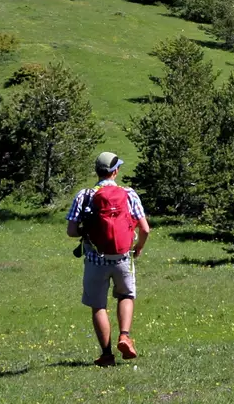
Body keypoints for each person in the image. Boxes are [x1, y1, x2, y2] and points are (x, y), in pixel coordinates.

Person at [66, 151, 149, 366]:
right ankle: (124, 336)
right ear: (116, 171)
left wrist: (88, 231)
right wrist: (138, 247)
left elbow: (71, 231)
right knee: (125, 296)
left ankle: (106, 354)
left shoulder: (84, 195)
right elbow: (145, 229)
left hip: (95, 258)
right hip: (122, 257)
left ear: (97, 171)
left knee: (98, 305)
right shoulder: (129, 193)